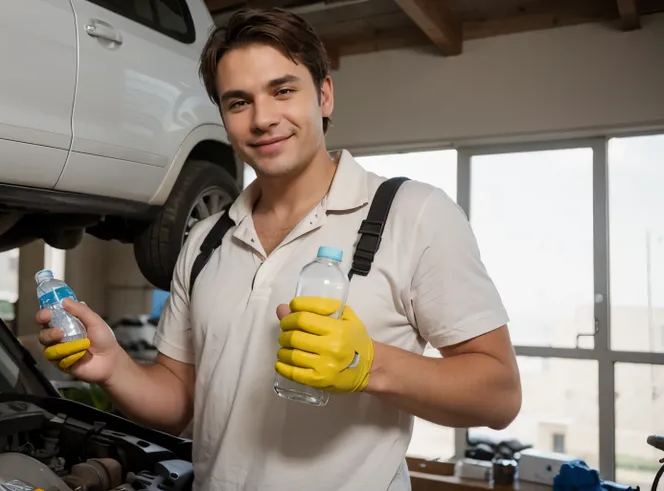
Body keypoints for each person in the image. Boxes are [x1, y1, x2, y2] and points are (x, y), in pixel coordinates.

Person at [38, 7, 522, 491]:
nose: (263, 119)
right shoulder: (205, 241)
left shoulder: (411, 214)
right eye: (238, 102)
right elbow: (178, 403)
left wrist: (369, 365)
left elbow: (499, 397)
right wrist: (114, 368)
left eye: (283, 90)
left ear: (325, 95)